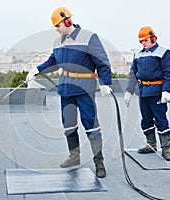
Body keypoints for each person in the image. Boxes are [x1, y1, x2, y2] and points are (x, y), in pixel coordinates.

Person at [26, 7, 112, 178]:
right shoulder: (58, 42)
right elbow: (53, 62)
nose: (56, 29)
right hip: (66, 87)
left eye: (58, 25)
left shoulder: (88, 37)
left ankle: (99, 162)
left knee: (91, 124)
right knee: (69, 125)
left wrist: (105, 83)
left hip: (84, 87)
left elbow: (102, 61)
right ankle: (74, 157)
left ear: (67, 21)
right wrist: (37, 69)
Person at [124, 26, 170, 161]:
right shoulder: (138, 55)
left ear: (153, 38)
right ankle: (151, 145)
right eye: (141, 41)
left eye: (145, 40)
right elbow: (133, 74)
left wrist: (166, 91)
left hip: (157, 92)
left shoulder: (164, 53)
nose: (143, 43)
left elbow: (169, 73)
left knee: (160, 119)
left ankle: (165, 148)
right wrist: (129, 91)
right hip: (143, 92)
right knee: (146, 120)